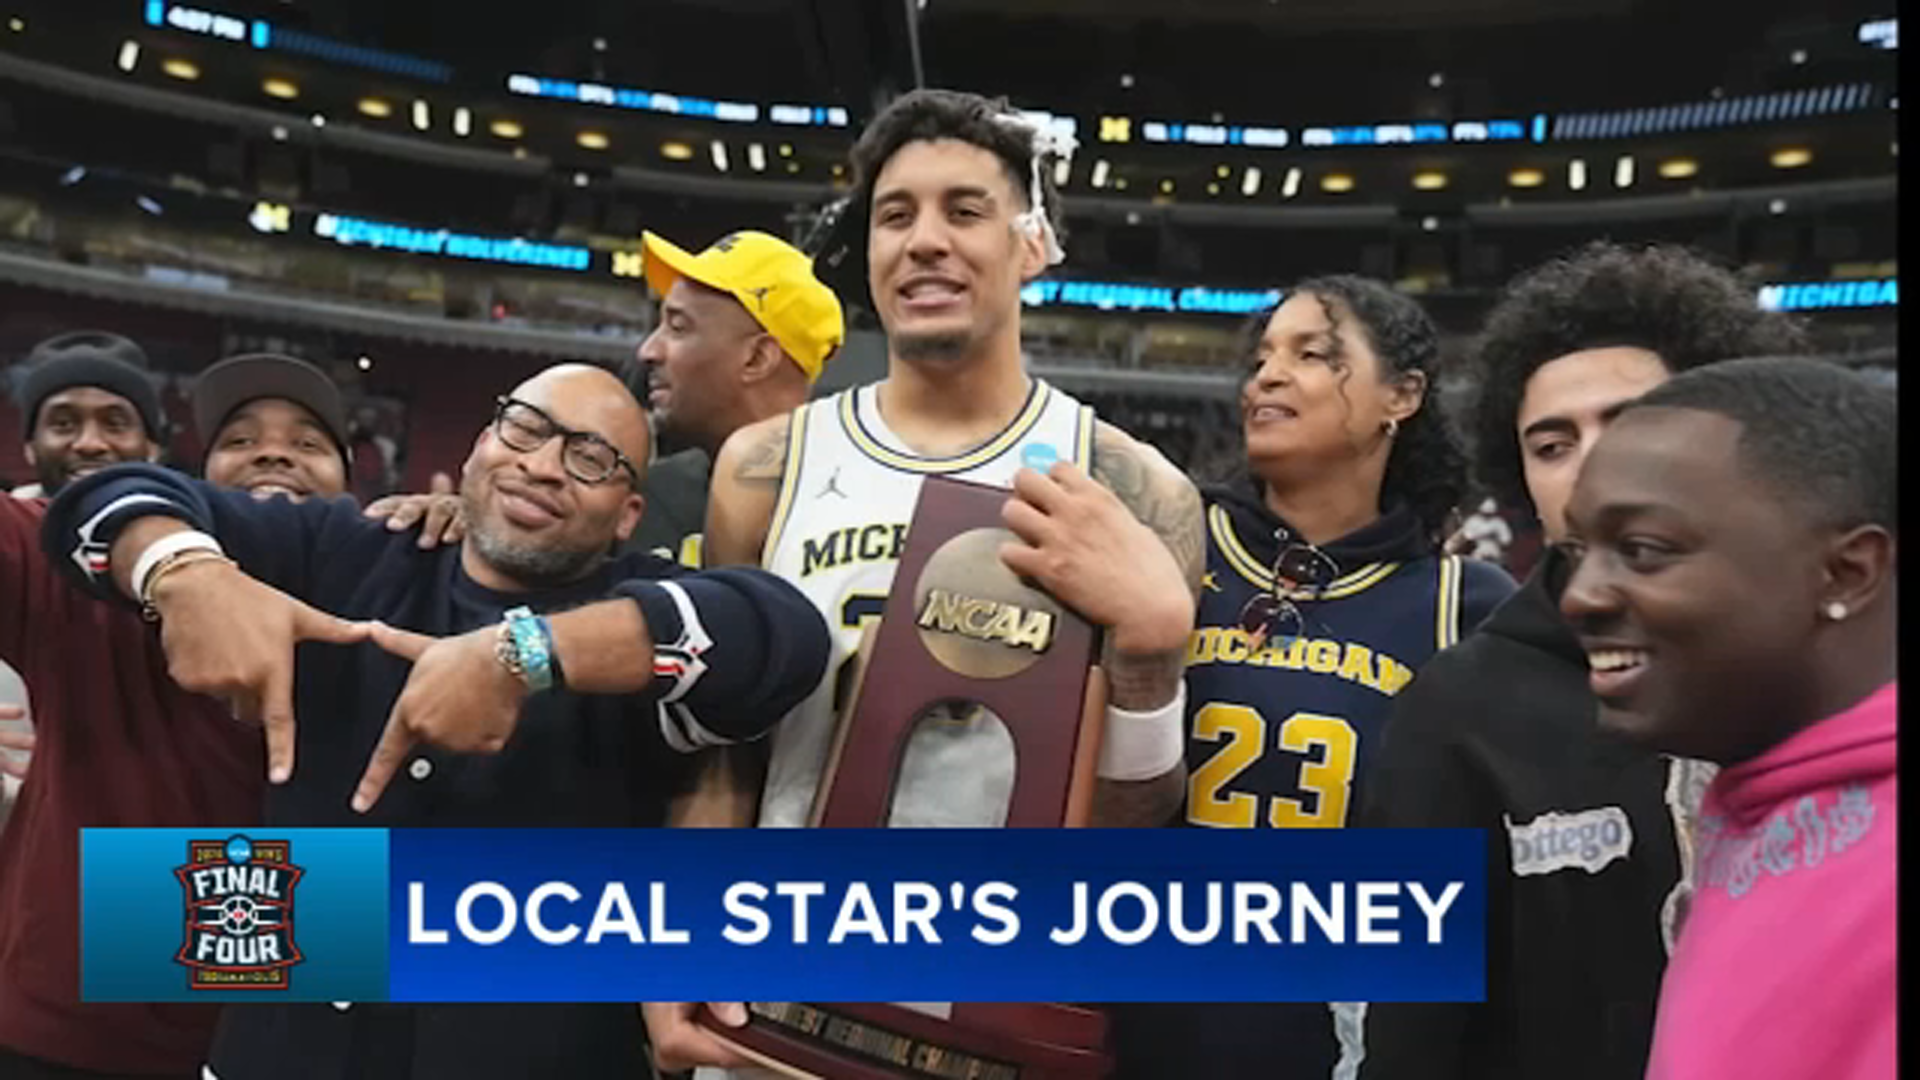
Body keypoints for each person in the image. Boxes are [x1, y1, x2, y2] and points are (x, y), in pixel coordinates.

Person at [42, 363, 830, 1080]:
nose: (543, 464)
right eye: (524, 429)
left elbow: (782, 635)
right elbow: (102, 502)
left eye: (590, 458)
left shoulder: (635, 605)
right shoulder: (347, 549)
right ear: (481, 443)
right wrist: (184, 570)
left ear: (628, 516)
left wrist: (525, 655)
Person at [644, 89, 1202, 1074]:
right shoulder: (763, 466)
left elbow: (1130, 829)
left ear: (1033, 244)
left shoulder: (1134, 489)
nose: (925, 240)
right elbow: (728, 748)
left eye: (965, 210)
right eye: (896, 215)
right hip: (771, 1009)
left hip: (984, 1029)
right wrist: (681, 936)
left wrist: (1152, 662)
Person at [1355, 242, 1810, 1080]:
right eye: (1553, 445)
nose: (1598, 465)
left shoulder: (1831, 671)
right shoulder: (1461, 707)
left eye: (1634, 419)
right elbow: (1408, 1033)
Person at [1110, 277, 1514, 1080]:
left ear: (1402, 396)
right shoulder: (1163, 548)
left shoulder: (1464, 607)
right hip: (1126, 1021)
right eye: (1262, 357)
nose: (1268, 374)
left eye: (1312, 354)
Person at [0, 352, 361, 1079]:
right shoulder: (75, 572)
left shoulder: (391, 599)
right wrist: (181, 567)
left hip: (290, 1040)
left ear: (351, 491)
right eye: (240, 439)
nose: (272, 453)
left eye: (308, 442)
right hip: (68, 1037)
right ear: (192, 481)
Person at [1559, 357, 1895, 1080]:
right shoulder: (1462, 692)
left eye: (1643, 551)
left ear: (1847, 572)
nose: (1579, 596)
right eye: (1576, 552)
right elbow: (1401, 971)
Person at [627, 229, 845, 567]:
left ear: (757, 359)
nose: (648, 351)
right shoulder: (650, 492)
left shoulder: (853, 504)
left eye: (678, 327)